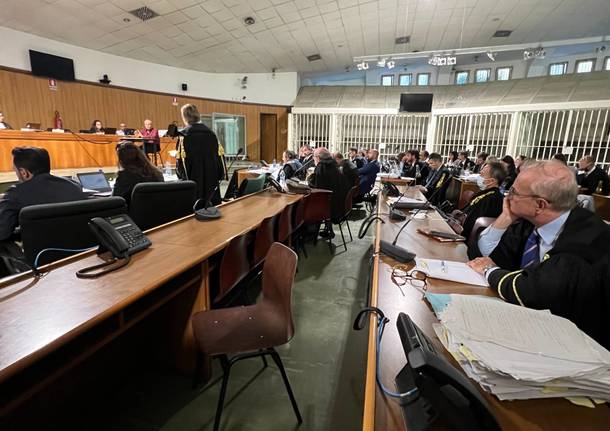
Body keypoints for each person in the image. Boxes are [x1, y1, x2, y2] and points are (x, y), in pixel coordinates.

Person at [467, 160, 610, 349]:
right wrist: (505, 218)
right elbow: (483, 254)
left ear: (540, 205)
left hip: (578, 346)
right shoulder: (531, 222)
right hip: (527, 325)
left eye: (515, 192)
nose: (507, 195)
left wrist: (490, 271)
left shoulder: (587, 240)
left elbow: (534, 292)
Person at [0, 147, 86, 241]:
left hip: (43, 253)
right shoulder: (74, 186)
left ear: (24, 173)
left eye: (15, 170)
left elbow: (2, 233)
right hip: (81, 251)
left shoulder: (15, 194)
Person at [175, 104, 224, 203]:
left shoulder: (184, 136)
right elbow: (220, 160)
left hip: (193, 185)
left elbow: (181, 167)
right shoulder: (211, 134)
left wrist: (181, 178)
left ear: (184, 117)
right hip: (211, 183)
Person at [455, 161, 506, 239]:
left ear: (491, 181)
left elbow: (476, 225)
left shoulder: (494, 199)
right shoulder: (485, 193)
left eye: (482, 175)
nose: (479, 176)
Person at [308, 148, 350, 236]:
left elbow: (318, 188)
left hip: (328, 205)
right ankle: (328, 229)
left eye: (314, 157)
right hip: (337, 202)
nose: (313, 159)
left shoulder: (321, 167)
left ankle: (310, 233)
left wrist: (309, 181)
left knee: (305, 205)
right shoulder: (334, 165)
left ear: (318, 158)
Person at [112, 141, 164, 205]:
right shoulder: (157, 173)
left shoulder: (124, 176)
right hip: (157, 213)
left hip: (132, 214)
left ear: (121, 160)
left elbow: (115, 200)